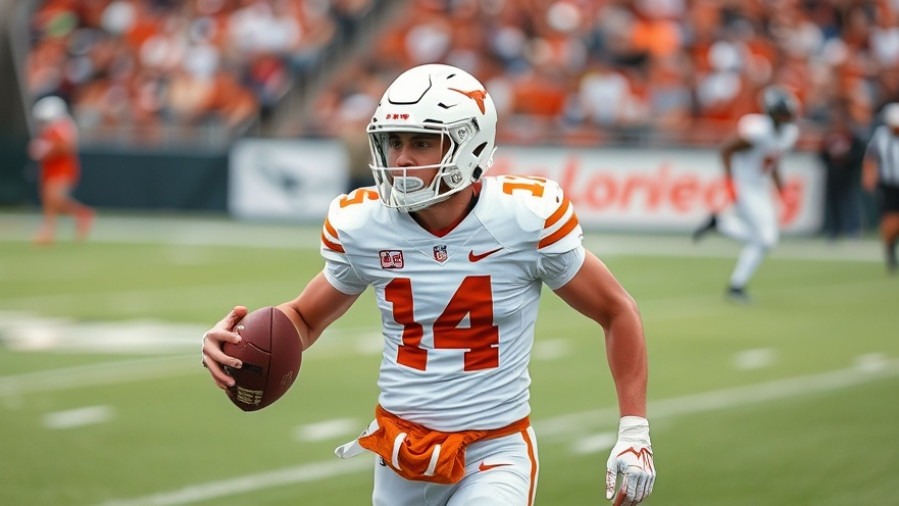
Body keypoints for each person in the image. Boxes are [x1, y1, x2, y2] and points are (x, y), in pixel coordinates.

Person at [202, 64, 655, 506]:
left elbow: (616, 310)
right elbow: (303, 317)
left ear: (470, 144)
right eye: (394, 141)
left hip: (493, 451)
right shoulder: (364, 224)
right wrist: (237, 342)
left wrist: (634, 430)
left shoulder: (523, 219)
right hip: (400, 456)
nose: (401, 158)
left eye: (421, 142)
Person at [692, 85, 800, 304]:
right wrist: (731, 183)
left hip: (760, 187)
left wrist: (782, 190)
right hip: (745, 186)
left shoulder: (788, 133)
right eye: (783, 113)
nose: (787, 118)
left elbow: (774, 162)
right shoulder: (757, 130)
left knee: (763, 239)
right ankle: (736, 286)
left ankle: (721, 225)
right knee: (766, 239)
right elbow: (726, 149)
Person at [28, 95, 94, 245]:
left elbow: (66, 148)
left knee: (54, 198)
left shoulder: (63, 128)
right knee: (50, 201)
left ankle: (77, 215)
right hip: (50, 169)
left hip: (62, 169)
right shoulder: (50, 129)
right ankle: (51, 230)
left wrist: (46, 150)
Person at [818, 103, 865, 240]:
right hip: (833, 175)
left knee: (849, 202)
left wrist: (847, 158)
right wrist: (831, 159)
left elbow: (859, 154)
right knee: (832, 204)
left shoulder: (853, 137)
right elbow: (822, 155)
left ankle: (853, 230)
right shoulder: (829, 137)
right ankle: (834, 231)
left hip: (847, 175)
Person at [862, 102, 899, 274]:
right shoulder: (881, 135)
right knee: (890, 221)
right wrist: (869, 176)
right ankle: (890, 251)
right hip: (889, 184)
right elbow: (871, 157)